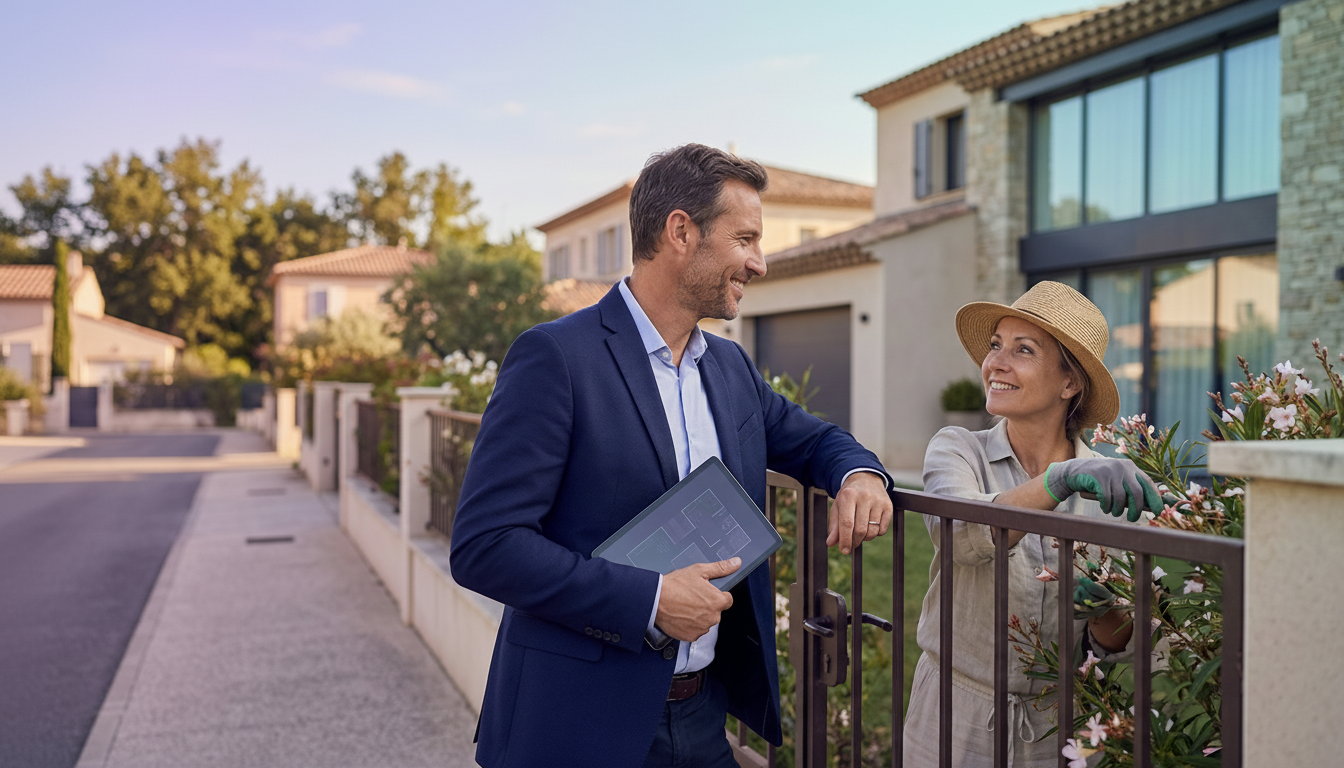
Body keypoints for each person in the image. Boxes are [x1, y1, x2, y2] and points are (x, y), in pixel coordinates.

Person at [449, 143, 894, 768]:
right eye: (745, 239)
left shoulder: (732, 367)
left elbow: (816, 439)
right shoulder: (556, 358)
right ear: (681, 231)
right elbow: (484, 546)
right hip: (577, 725)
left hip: (702, 718)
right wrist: (651, 599)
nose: (759, 263)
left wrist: (860, 473)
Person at [904, 281, 1162, 768]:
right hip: (954, 715)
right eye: (996, 345)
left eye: (1023, 350)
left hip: (1059, 725)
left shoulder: (1111, 490)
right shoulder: (959, 448)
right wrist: (1058, 479)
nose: (996, 363)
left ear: (1070, 384)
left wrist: (1108, 613)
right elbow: (957, 533)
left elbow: (1123, 643)